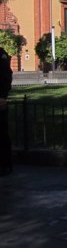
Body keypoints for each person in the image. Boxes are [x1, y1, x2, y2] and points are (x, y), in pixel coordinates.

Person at [0, 46, 13, 176]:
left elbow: (6, 76)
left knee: (2, 134)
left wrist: (3, 96)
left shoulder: (1, 54)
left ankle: (4, 164)